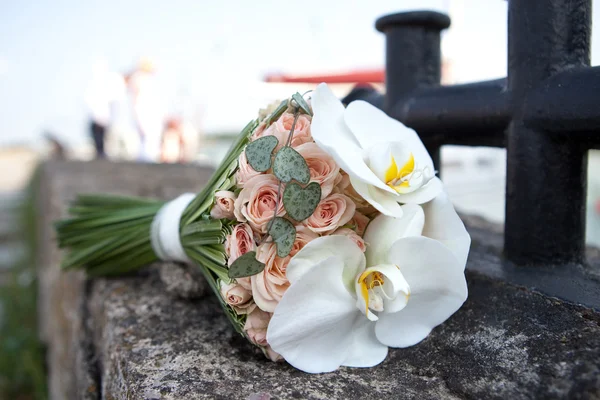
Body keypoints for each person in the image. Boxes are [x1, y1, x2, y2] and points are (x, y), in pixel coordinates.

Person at [84, 59, 126, 159]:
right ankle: (100, 155)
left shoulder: (103, 84)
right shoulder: (96, 85)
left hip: (102, 117)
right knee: (99, 140)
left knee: (102, 140)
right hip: (98, 117)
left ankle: (101, 155)